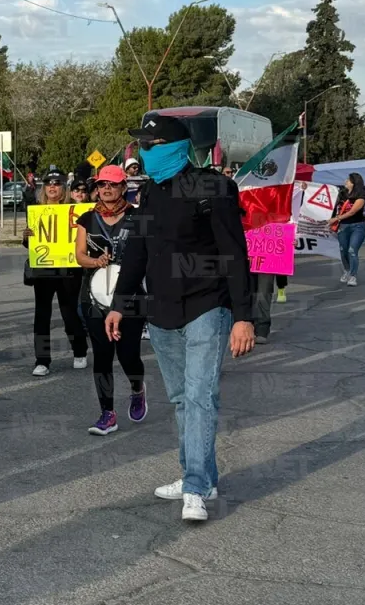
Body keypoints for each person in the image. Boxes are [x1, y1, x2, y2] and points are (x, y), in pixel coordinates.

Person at [106, 115, 255, 523]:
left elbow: (235, 253)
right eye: (141, 146)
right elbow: (136, 251)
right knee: (179, 399)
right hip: (162, 310)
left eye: (150, 145)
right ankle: (202, 476)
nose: (144, 153)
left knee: (200, 396)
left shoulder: (213, 186)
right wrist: (120, 303)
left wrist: (244, 316)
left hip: (207, 305)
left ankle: (194, 488)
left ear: (172, 146)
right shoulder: (150, 194)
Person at [75, 165, 146, 435]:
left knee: (128, 356)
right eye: (102, 184)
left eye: (113, 184)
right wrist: (95, 261)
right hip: (94, 297)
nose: (106, 189)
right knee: (102, 357)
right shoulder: (87, 218)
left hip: (131, 297)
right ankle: (107, 413)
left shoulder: (139, 218)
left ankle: (138, 389)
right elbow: (79, 255)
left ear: (123, 187)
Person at [20, 168, 89, 377]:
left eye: (57, 183)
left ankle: (79, 351)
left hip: (68, 268)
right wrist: (26, 236)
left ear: (64, 187)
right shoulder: (37, 210)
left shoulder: (75, 210)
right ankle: (42, 360)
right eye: (48, 183)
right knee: (42, 315)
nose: (52, 186)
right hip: (44, 268)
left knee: (69, 312)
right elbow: (31, 244)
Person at [328, 172, 365, 286]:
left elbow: (353, 211)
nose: (346, 181)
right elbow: (332, 205)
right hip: (343, 226)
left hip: (358, 226)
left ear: (354, 183)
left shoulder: (361, 194)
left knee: (352, 250)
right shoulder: (342, 193)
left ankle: (353, 276)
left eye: (348, 180)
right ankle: (347, 270)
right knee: (343, 250)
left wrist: (336, 218)